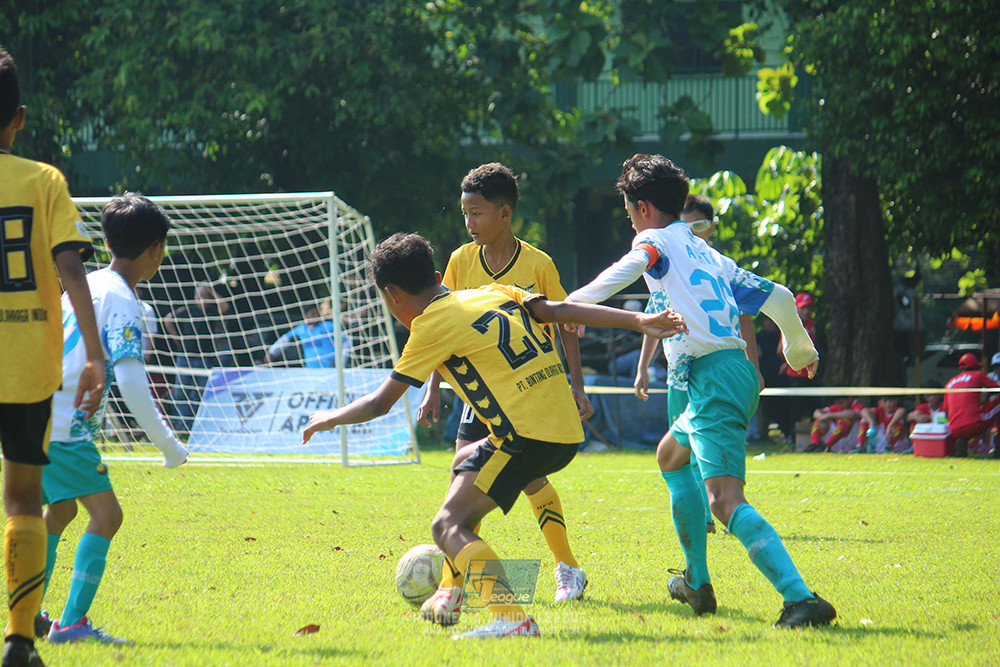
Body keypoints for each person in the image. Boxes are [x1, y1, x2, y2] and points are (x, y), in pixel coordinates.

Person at [302, 232, 686, 638]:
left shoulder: (429, 325)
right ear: (436, 275)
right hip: (566, 430)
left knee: (447, 525)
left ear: (392, 294)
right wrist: (638, 319)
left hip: (525, 436)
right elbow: (562, 310)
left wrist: (329, 417)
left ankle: (511, 618)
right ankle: (454, 589)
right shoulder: (495, 291)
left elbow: (380, 404)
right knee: (461, 469)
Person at [566, 154, 836, 629]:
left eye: (629, 209)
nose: (630, 218)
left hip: (713, 375)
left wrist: (570, 306)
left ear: (643, 207)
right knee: (670, 456)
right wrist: (799, 348)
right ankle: (696, 580)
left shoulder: (653, 240)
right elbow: (780, 297)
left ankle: (802, 600)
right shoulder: (708, 252)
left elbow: (627, 269)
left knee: (724, 500)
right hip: (727, 371)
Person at [415, 163, 594, 621]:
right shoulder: (459, 261)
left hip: (528, 396)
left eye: (475, 212)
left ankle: (567, 566)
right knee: (462, 482)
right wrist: (433, 386)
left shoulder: (538, 264)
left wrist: (577, 385)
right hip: (481, 396)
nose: (468, 222)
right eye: (464, 213)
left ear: (504, 212)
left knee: (530, 480)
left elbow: (566, 324)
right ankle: (454, 589)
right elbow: (440, 324)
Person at [38, 193, 190, 645]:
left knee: (61, 510)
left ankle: (26, 614)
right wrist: (169, 445)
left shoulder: (87, 285)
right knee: (107, 516)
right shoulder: (124, 300)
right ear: (156, 250)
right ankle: (70, 625)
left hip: (38, 414)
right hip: (67, 425)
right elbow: (131, 382)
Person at [0, 46, 106, 667]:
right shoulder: (43, 181)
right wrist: (92, 353)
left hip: (26, 366)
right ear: (19, 119)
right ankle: (18, 642)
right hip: (24, 365)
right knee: (21, 500)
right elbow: (70, 266)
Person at [163, 281, 230, 433]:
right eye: (201, 295)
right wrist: (177, 339)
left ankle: (197, 426)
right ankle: (182, 426)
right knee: (181, 393)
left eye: (206, 296)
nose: (203, 298)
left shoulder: (212, 312)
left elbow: (225, 307)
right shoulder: (187, 310)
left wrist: (211, 290)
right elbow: (168, 319)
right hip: (185, 358)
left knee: (202, 394)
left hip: (205, 359)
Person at [776, 292, 819, 441]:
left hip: (812, 373)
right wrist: (790, 362)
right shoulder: (791, 324)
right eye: (803, 308)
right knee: (795, 409)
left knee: (815, 406)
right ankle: (792, 437)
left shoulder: (812, 325)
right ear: (797, 309)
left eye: (809, 308)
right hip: (795, 375)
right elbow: (781, 349)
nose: (807, 311)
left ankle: (816, 438)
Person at [942, 353, 1000, 457]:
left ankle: (963, 441)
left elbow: (946, 412)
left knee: (968, 420)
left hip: (954, 429)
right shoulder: (978, 374)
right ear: (976, 366)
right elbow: (996, 389)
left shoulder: (950, 383)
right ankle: (999, 447)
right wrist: (986, 399)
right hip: (974, 423)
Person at [265, 301, 351, 368]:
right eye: (312, 313)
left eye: (317, 313)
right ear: (305, 315)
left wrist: (340, 360)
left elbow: (346, 340)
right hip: (310, 371)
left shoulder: (329, 326)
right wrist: (271, 353)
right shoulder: (301, 329)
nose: (316, 315)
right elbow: (285, 339)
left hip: (330, 369)